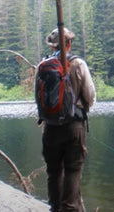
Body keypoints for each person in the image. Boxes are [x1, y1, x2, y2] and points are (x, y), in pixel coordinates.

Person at [36, 28, 96, 212]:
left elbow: (38, 98)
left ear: (52, 45)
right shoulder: (77, 63)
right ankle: (70, 209)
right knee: (73, 169)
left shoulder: (42, 66)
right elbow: (90, 96)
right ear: (69, 43)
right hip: (74, 126)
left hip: (50, 127)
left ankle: (55, 208)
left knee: (53, 171)